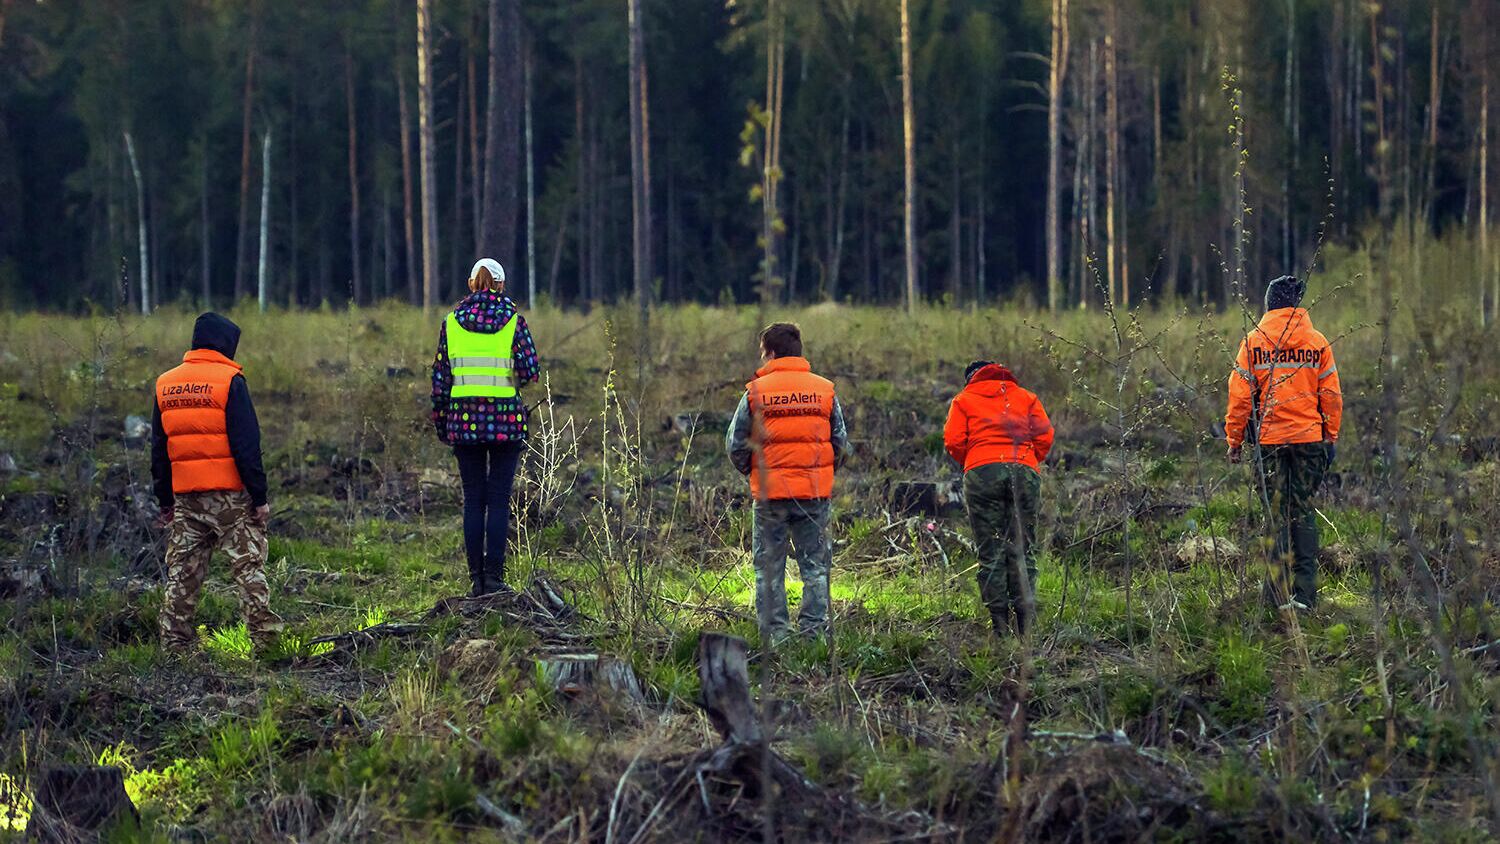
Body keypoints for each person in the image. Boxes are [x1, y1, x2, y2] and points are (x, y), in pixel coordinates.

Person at [153, 313, 283, 654]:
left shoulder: (165, 383)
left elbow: (159, 448)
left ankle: (175, 646)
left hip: (185, 498)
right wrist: (259, 497)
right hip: (230, 499)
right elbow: (246, 446)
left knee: (182, 574)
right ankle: (266, 644)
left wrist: (165, 501)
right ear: (226, 343)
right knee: (247, 568)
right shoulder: (230, 381)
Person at [1225, 275, 1343, 612]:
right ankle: (1305, 597)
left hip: (1269, 443)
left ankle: (1275, 597)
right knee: (1302, 510)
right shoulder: (1317, 342)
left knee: (1275, 516)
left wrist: (1234, 439)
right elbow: (1332, 396)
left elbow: (1239, 399)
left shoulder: (1252, 343)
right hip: (1310, 440)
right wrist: (1330, 435)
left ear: (1269, 304)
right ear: (1297, 305)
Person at [726, 323, 848, 644]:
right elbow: (841, 442)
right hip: (814, 494)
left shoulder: (755, 392)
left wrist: (753, 473)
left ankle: (776, 637)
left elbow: (735, 444)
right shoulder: (825, 390)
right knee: (816, 568)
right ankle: (813, 635)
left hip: (770, 495)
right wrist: (821, 472)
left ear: (771, 352)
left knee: (768, 569)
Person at [431, 258, 540, 597]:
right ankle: (494, 577)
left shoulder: (450, 322)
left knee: (473, 500)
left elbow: (440, 381)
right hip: (506, 422)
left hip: (462, 423)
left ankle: (475, 579)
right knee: (498, 499)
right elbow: (530, 371)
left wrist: (442, 423)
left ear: (470, 283)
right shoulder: (514, 321)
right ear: (500, 285)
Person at [943, 361, 1055, 637]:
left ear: (970, 378)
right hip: (1024, 471)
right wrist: (1029, 460)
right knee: (1023, 548)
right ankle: (1026, 628)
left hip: (982, 473)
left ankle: (1000, 628)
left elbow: (953, 441)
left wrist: (975, 461)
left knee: (990, 549)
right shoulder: (1027, 397)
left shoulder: (964, 399)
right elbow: (1045, 435)